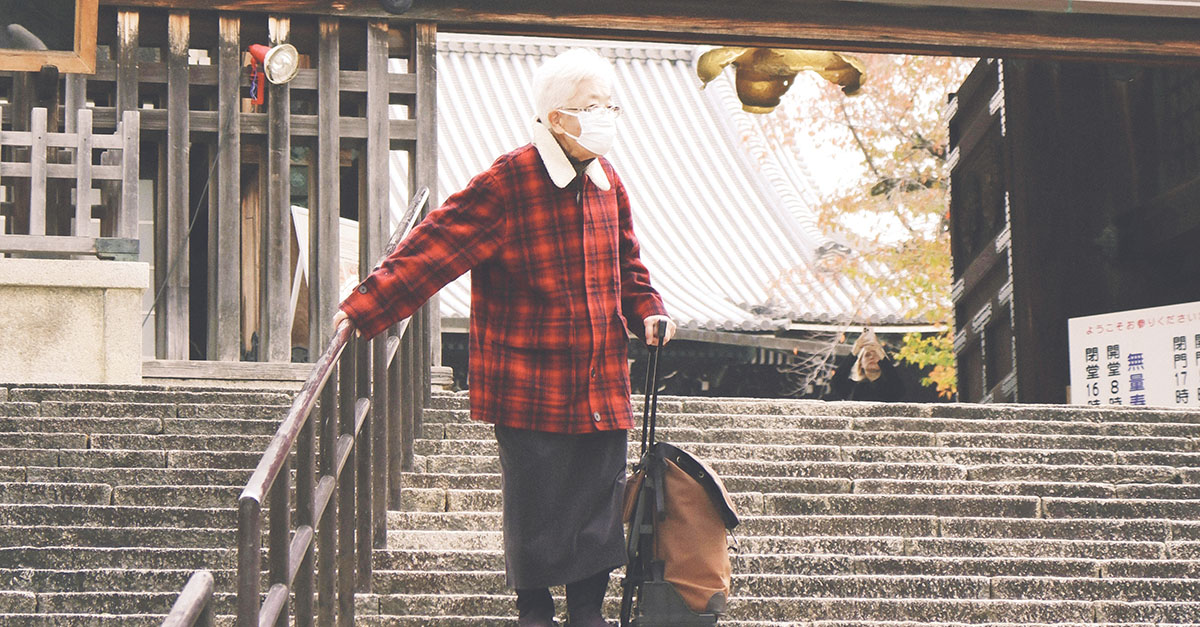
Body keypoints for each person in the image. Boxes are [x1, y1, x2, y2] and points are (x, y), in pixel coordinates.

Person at [333, 48, 675, 627]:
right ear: (556, 117)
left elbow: (628, 264)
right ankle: (535, 610)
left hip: (601, 375)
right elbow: (435, 245)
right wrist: (367, 306)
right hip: (530, 379)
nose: (606, 116)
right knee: (537, 505)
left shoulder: (606, 181)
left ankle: (587, 610)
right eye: (593, 106)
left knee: (599, 502)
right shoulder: (510, 180)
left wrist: (648, 309)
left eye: (611, 105)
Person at [827, 328, 905, 402]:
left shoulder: (891, 389)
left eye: (876, 355)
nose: (872, 357)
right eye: (867, 355)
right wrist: (855, 350)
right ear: (861, 364)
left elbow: (896, 381)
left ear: (882, 362)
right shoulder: (852, 388)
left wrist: (878, 350)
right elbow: (837, 381)